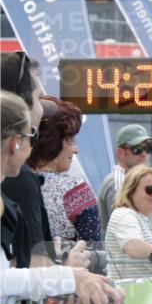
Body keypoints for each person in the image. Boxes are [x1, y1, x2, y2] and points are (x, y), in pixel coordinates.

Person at [1, 91, 122, 304]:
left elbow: (13, 269)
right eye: (31, 134)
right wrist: (67, 276)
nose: (76, 149)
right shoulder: (36, 183)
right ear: (15, 143)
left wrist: (64, 277)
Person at [28, 97, 102, 245]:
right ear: (53, 141)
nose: (76, 150)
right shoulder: (77, 192)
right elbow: (94, 251)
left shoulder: (10, 182)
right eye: (71, 140)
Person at [0, 51, 50, 267]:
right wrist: (68, 271)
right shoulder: (20, 177)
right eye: (38, 98)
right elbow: (33, 265)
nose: (42, 109)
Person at [97, 124, 152, 231]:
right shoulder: (118, 182)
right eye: (137, 149)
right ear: (121, 153)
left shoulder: (137, 180)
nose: (144, 154)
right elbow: (123, 229)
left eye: (147, 148)